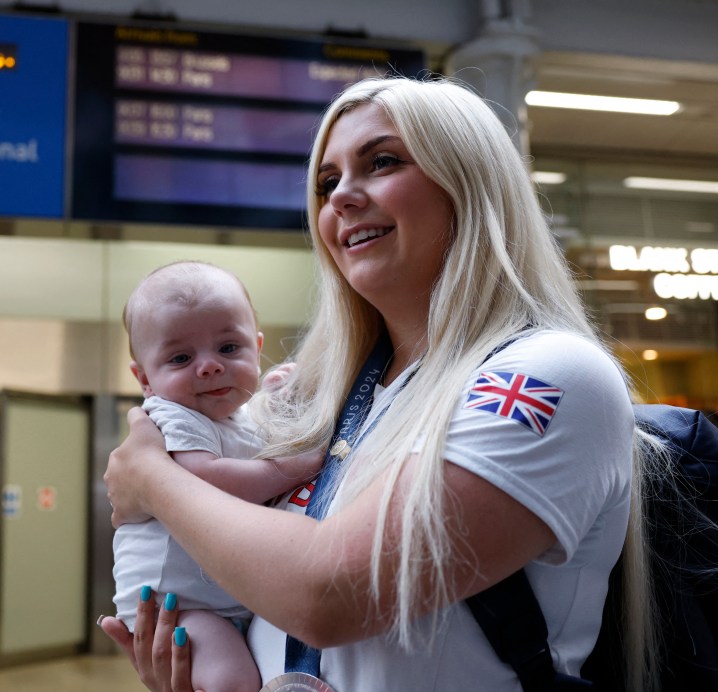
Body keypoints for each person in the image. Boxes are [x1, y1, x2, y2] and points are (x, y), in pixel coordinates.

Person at [102, 76, 655, 691]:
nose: (340, 197)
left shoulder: (551, 370)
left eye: (382, 161)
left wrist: (151, 478)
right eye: (326, 182)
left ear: (468, 178)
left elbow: (325, 593)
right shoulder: (327, 398)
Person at [110, 260, 323, 692]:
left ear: (257, 348)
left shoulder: (240, 416)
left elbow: (257, 436)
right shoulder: (172, 415)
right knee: (232, 681)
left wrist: (278, 398)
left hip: (225, 593)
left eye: (229, 348)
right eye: (181, 357)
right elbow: (207, 479)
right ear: (145, 379)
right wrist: (294, 467)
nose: (208, 366)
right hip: (180, 605)